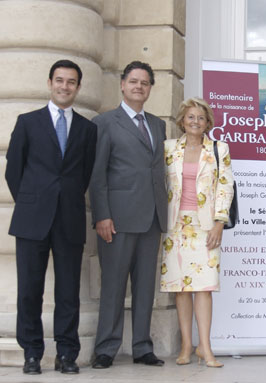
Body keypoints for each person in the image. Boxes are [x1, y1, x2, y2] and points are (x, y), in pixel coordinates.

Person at [5, 60, 97, 375]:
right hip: (32, 219)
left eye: (71, 82)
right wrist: (33, 202)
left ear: (78, 87)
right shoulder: (28, 122)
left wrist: (63, 201)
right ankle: (32, 352)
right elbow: (13, 170)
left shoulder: (88, 129)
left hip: (69, 218)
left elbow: (84, 174)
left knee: (68, 291)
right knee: (30, 289)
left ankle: (66, 354)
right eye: (59, 80)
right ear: (50, 83)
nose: (65, 86)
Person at [89, 61, 167, 368]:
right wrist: (101, 215)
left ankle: (142, 347)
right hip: (117, 220)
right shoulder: (104, 123)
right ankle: (106, 349)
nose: (139, 86)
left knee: (146, 286)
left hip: (152, 218)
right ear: (122, 84)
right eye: (133, 81)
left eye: (145, 83)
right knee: (113, 285)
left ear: (149, 88)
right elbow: (97, 175)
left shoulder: (158, 125)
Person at [160, 98, 234, 368]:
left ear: (207, 123)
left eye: (200, 118)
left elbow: (226, 187)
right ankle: (186, 346)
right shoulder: (168, 149)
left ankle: (205, 347)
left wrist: (219, 223)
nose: (195, 122)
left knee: (204, 288)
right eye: (190, 117)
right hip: (175, 226)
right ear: (182, 120)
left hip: (206, 227)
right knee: (181, 289)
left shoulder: (218, 148)